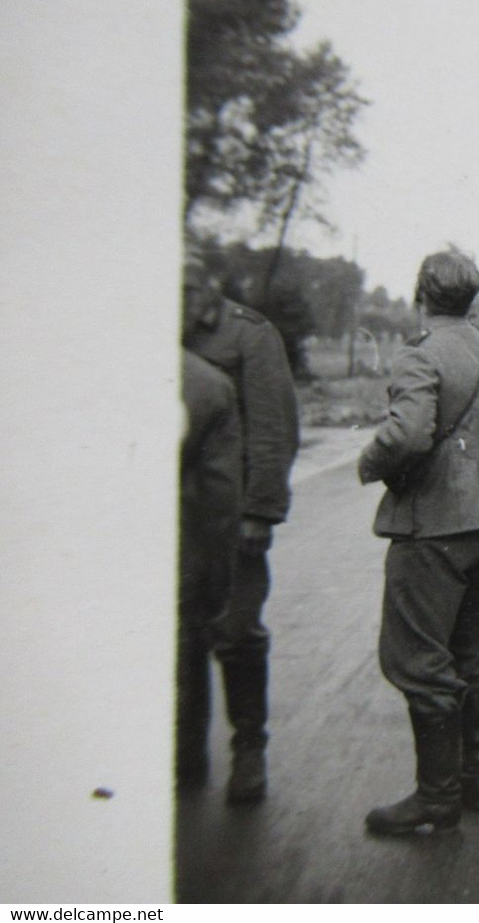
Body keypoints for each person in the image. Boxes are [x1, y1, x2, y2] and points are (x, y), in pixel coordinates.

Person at [357, 250, 479, 835]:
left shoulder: (420, 356)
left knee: (417, 660)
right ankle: (476, 780)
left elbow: (406, 434)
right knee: (473, 651)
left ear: (421, 294)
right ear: (473, 299)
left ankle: (437, 797)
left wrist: (370, 461)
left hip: (433, 521)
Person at [182, 249, 300, 804]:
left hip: (232, 516)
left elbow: (274, 429)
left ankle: (249, 748)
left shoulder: (249, 335)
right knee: (180, 638)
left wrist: (260, 512)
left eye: (187, 289)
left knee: (235, 631)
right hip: (178, 513)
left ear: (209, 285)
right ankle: (184, 757)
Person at [177, 347, 242, 795]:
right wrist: (218, 574)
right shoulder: (204, 382)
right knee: (186, 641)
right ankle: (185, 762)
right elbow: (219, 495)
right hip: (178, 546)